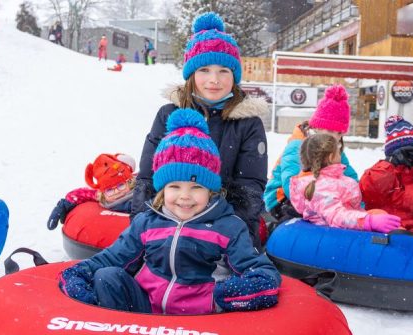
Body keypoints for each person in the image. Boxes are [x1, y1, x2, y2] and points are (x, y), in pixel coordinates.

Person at [59, 109, 281, 314]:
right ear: (162, 189)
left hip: (200, 317)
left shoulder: (228, 227)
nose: (185, 196)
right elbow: (113, 258)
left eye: (196, 187)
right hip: (149, 312)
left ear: (211, 190)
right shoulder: (147, 223)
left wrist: (228, 294)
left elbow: (262, 271)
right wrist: (77, 274)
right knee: (107, 276)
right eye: (174, 187)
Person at [131, 12, 269, 249]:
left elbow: (248, 189)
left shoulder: (247, 123)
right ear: (191, 74)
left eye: (224, 70)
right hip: (166, 227)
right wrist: (141, 233)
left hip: (222, 232)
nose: (214, 79)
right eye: (204, 69)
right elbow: (148, 179)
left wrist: (229, 240)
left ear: (234, 76)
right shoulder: (168, 114)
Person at [264, 85, 358, 223]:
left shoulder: (336, 153)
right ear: (317, 127)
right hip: (283, 198)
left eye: (337, 133)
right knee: (306, 216)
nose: (332, 137)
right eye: (328, 130)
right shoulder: (298, 145)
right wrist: (323, 203)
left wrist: (357, 204)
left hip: (321, 197)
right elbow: (291, 184)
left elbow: (351, 178)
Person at [289, 133, 401, 233]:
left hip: (350, 224)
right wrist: (367, 221)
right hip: (339, 234)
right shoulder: (321, 187)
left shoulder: (330, 180)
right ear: (331, 157)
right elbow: (336, 216)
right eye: (338, 152)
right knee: (381, 219)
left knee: (379, 213)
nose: (340, 155)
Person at [47, 153, 136, 230]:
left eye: (121, 185)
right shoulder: (102, 197)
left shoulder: (140, 189)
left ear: (129, 182)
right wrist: (65, 203)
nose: (117, 191)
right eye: (109, 190)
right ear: (103, 194)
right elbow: (81, 194)